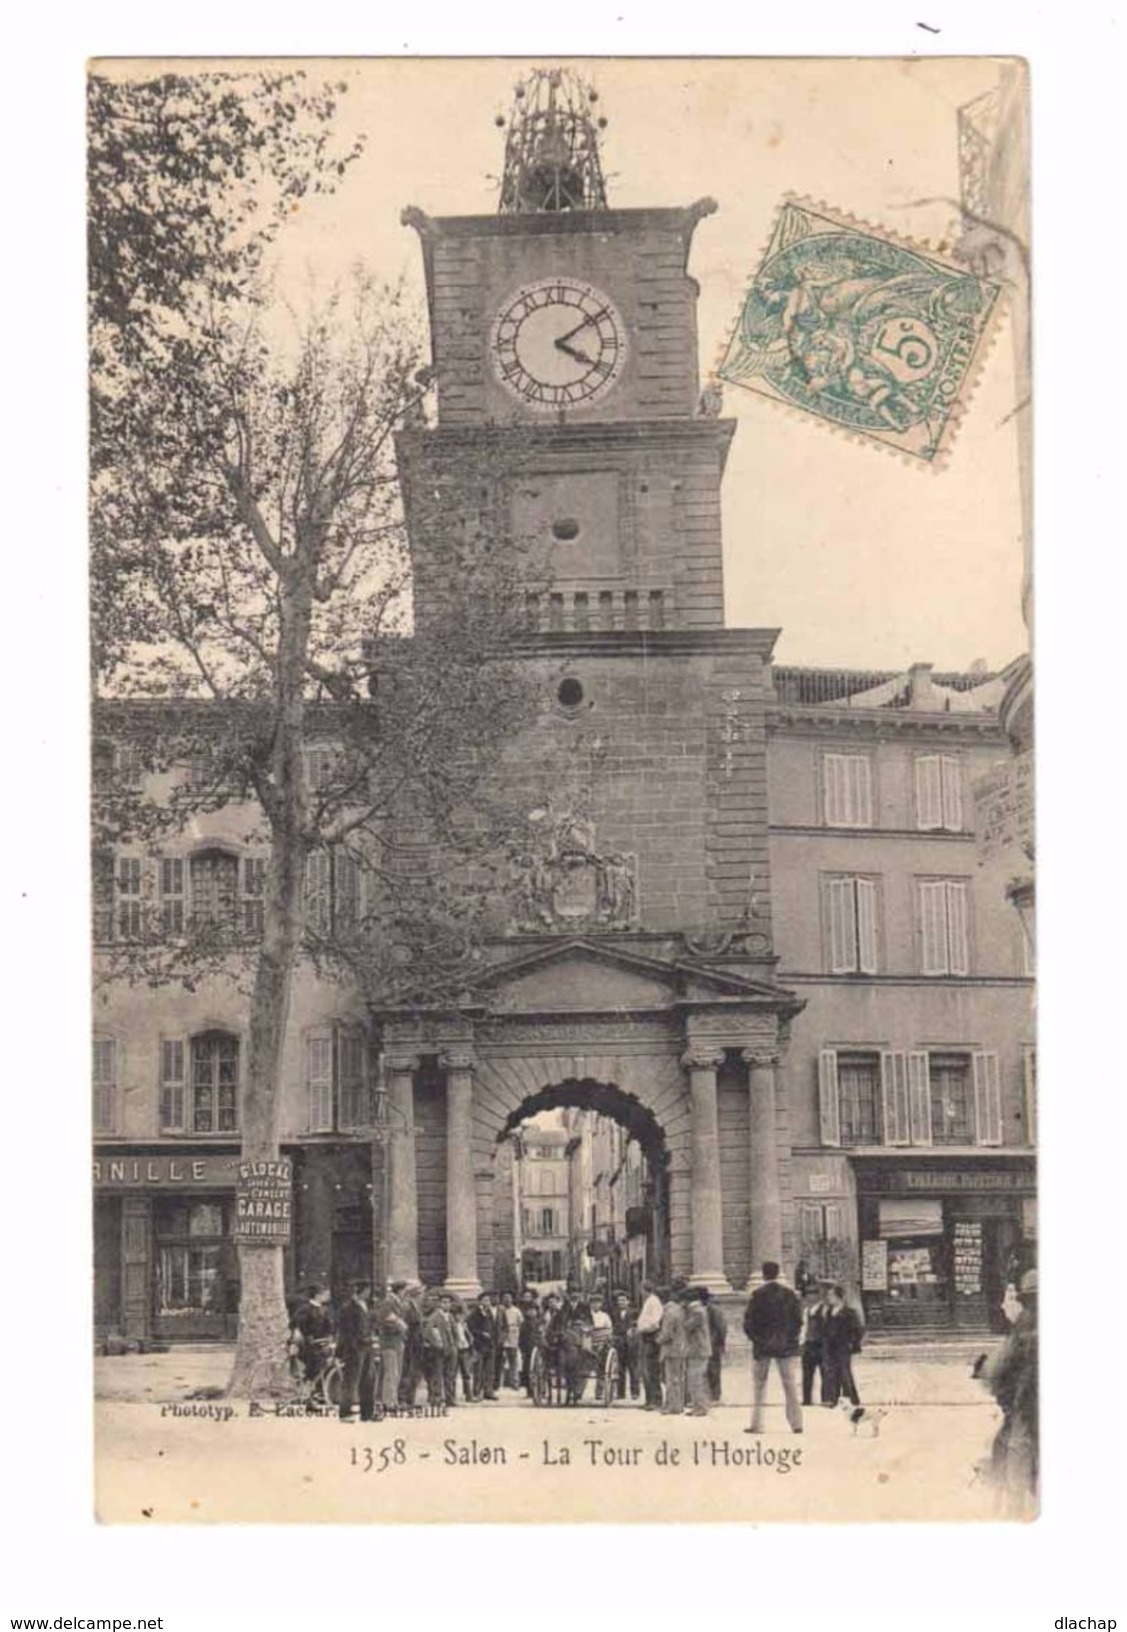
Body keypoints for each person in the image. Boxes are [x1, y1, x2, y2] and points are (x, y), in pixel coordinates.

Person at [981, 1269, 1038, 1515]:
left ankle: (1014, 1516)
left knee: (1014, 1462)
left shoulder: (1023, 1331)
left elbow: (994, 1372)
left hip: (1026, 1413)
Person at [743, 1260, 803, 1434]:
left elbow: (749, 1322)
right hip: (785, 1347)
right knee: (790, 1385)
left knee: (759, 1386)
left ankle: (757, 1424)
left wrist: (757, 1340)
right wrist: (790, 1340)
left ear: (763, 1274)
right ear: (778, 1274)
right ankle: (796, 1423)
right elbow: (797, 1321)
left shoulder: (757, 1295)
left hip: (762, 1348)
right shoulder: (789, 1295)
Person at [336, 1281, 377, 1423]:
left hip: (367, 1347)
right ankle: (345, 1413)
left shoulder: (366, 1305)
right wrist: (352, 1346)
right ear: (359, 1291)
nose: (369, 1293)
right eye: (366, 1290)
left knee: (369, 1380)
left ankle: (367, 1413)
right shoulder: (348, 1308)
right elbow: (345, 1331)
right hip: (355, 1349)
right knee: (351, 1381)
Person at [821, 1284, 864, 1412]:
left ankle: (851, 1398)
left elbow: (857, 1330)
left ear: (839, 1297)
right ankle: (832, 1398)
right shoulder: (828, 1312)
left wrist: (853, 1343)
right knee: (830, 1371)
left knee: (844, 1371)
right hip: (830, 1345)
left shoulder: (849, 1312)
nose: (829, 1298)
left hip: (843, 1345)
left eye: (831, 1295)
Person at [290, 1284, 334, 1383]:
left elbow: (328, 1325)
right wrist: (308, 1336)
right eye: (325, 1294)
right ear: (317, 1295)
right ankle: (306, 1382)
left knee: (327, 1359)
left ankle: (318, 1387)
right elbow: (299, 1325)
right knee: (316, 1361)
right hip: (306, 1342)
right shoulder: (305, 1309)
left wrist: (329, 1335)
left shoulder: (323, 1309)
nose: (328, 1296)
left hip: (319, 1342)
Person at [421, 1292, 458, 1407]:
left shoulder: (450, 1316)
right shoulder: (435, 1316)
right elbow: (428, 1332)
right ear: (439, 1304)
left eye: (448, 1303)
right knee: (437, 1375)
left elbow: (455, 1332)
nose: (446, 1305)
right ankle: (436, 1398)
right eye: (444, 1302)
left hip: (451, 1349)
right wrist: (436, 1344)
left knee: (450, 1375)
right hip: (439, 1351)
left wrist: (455, 1345)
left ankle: (450, 1398)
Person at [377, 1280, 410, 1408]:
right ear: (400, 1290)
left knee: (396, 1372)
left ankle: (393, 1400)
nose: (405, 1294)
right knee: (391, 1372)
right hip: (390, 1342)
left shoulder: (396, 1302)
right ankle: (388, 1402)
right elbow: (386, 1321)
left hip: (397, 1341)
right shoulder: (388, 1302)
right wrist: (401, 1326)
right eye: (404, 1291)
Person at [658, 1279, 688, 1416]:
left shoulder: (669, 1313)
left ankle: (672, 1406)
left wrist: (658, 1340)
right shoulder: (678, 1310)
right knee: (679, 1378)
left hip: (671, 1350)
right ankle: (679, 1405)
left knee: (671, 1379)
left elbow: (667, 1334)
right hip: (680, 1348)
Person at [683, 1287, 711, 1417]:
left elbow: (688, 1326)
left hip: (698, 1349)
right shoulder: (699, 1310)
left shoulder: (696, 1311)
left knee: (695, 1379)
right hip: (699, 1349)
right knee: (697, 1379)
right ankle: (699, 1406)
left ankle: (700, 1407)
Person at [636, 1280, 664, 1410]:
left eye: (641, 1289)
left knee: (651, 1370)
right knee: (646, 1370)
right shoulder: (649, 1301)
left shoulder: (654, 1302)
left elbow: (655, 1322)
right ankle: (649, 1399)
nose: (640, 1292)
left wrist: (643, 1329)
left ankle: (656, 1400)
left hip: (651, 1338)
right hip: (645, 1337)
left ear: (645, 1289)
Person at [468, 1292, 502, 1400]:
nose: (487, 1302)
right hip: (479, 1345)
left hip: (490, 1345)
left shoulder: (489, 1312)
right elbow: (471, 1328)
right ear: (480, 1301)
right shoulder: (475, 1313)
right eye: (485, 1300)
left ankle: (488, 1391)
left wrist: (495, 1340)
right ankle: (477, 1392)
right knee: (478, 1370)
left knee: (490, 1370)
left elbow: (494, 1327)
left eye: (488, 1300)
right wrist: (481, 1333)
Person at [799, 1284, 828, 1407]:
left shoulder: (824, 1310)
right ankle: (807, 1399)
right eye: (808, 1295)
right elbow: (804, 1328)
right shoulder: (806, 1310)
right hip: (808, 1344)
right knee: (807, 1373)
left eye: (812, 1294)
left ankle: (826, 1398)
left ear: (818, 1296)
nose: (810, 1297)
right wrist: (802, 1342)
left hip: (820, 1344)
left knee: (824, 1372)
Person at [398, 1282, 426, 1406]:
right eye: (421, 1293)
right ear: (416, 1294)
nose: (422, 1296)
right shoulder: (407, 1307)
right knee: (407, 1370)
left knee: (415, 1371)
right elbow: (403, 1326)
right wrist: (404, 1341)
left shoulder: (416, 1306)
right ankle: (403, 1398)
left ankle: (410, 1398)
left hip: (416, 1343)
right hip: (409, 1343)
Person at [610, 1290, 640, 1401]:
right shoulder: (614, 1313)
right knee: (620, 1369)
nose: (621, 1302)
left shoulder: (634, 1313)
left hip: (631, 1344)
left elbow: (637, 1326)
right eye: (619, 1301)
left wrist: (632, 1330)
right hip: (619, 1344)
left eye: (623, 1300)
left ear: (628, 1302)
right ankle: (620, 1393)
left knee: (633, 1369)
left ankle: (635, 1392)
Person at [699, 1286, 727, 1403]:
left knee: (714, 1369)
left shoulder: (713, 1309)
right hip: (710, 1342)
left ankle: (715, 1394)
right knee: (710, 1369)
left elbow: (721, 1327)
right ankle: (711, 1393)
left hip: (713, 1343)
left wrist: (718, 1342)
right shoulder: (708, 1308)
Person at [498, 1290, 523, 1389]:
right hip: (502, 1337)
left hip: (513, 1336)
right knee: (500, 1361)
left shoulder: (516, 1311)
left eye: (509, 1298)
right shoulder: (500, 1310)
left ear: (512, 1299)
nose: (507, 1300)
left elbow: (520, 1324)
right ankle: (499, 1383)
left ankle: (515, 1382)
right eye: (505, 1298)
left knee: (513, 1361)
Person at [518, 1290, 540, 1393]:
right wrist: (522, 1347)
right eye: (530, 1311)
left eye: (534, 1311)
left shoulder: (540, 1322)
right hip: (527, 1347)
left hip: (538, 1347)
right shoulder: (525, 1323)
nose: (532, 1312)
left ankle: (538, 1388)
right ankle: (529, 1388)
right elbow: (521, 1336)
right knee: (527, 1367)